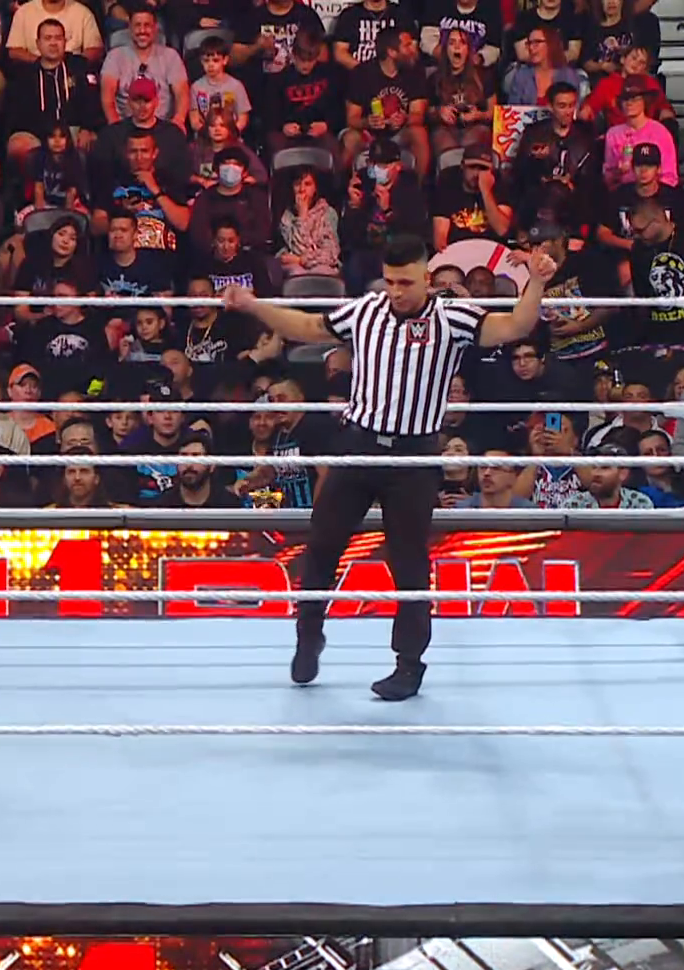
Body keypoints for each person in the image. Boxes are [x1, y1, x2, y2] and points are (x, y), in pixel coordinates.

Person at [222, 233, 556, 701]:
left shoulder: (453, 317)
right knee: (321, 545)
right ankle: (308, 637)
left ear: (426, 278)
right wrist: (255, 306)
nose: (396, 292)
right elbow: (308, 326)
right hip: (359, 445)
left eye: (406, 283)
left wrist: (536, 283)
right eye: (391, 282)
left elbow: (516, 325)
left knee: (410, 563)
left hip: (414, 455)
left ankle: (409, 665)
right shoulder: (367, 310)